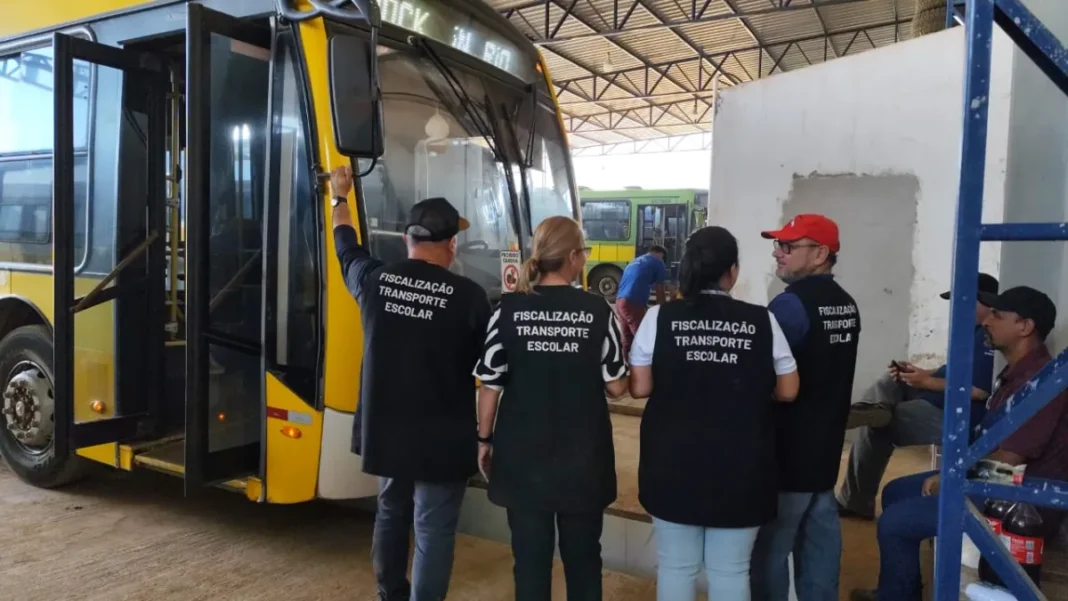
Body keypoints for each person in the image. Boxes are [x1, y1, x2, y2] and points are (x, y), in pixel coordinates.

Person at [330, 165, 492, 601]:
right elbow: (490, 364)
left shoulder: (374, 281)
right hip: (441, 435)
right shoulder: (469, 297)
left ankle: (390, 593)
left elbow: (345, 245)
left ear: (408, 240)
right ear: (452, 245)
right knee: (433, 528)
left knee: (390, 510)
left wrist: (339, 196)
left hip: (388, 430)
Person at [851, 285, 1068, 601]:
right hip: (1001, 483)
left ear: (1025, 326)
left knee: (895, 523)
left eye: (997, 315)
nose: (988, 321)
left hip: (1018, 498)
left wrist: (956, 479)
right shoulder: (1017, 373)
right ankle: (902, 588)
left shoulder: (1042, 385)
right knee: (895, 492)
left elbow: (1009, 461)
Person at [630, 226, 800, 601]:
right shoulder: (762, 320)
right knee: (731, 570)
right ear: (732, 272)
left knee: (676, 566)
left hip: (672, 463)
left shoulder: (660, 318)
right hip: (741, 466)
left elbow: (640, 387)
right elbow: (788, 391)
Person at [473, 216, 629, 601]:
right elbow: (615, 385)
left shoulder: (507, 310)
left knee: (529, 560)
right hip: (584, 459)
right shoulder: (598, 311)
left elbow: (489, 386)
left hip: (522, 458)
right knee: (583, 559)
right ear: (575, 257)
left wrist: (484, 439)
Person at [750, 214, 862, 601]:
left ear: (819, 254)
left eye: (787, 246)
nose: (778, 254)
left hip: (788, 451)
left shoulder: (790, 306)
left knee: (770, 552)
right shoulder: (846, 305)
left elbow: (765, 377)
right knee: (820, 550)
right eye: (778, 245)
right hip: (826, 449)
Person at [837, 273, 999, 520]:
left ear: (986, 301)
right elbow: (954, 372)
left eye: (964, 299)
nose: (957, 306)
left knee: (876, 428)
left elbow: (981, 391)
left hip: (953, 414)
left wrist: (926, 381)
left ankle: (856, 502)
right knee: (893, 379)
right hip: (938, 397)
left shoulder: (990, 339)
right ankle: (873, 407)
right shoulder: (974, 331)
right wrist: (920, 373)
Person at [615, 244, 669, 359]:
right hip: (633, 302)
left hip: (619, 302)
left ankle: (627, 368)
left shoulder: (635, 261)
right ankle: (649, 370)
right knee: (643, 338)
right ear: (662, 255)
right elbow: (660, 291)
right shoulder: (658, 262)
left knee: (627, 339)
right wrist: (663, 312)